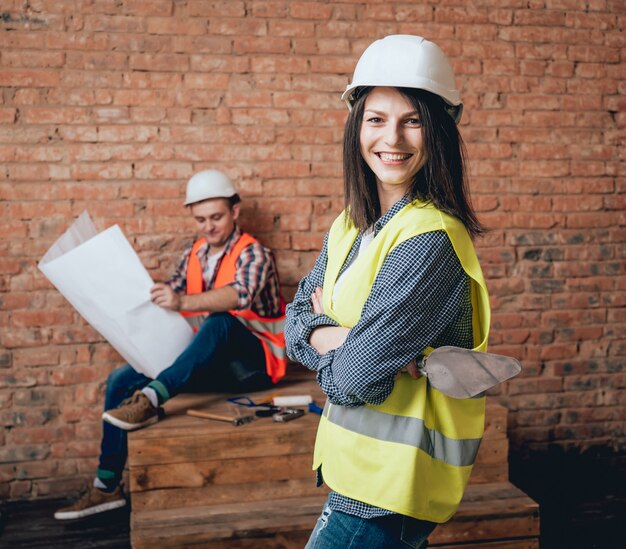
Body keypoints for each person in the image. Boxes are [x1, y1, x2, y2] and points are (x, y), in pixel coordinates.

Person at [285, 35, 491, 548]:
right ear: (357, 127)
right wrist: (353, 341)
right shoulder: (349, 227)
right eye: (376, 119)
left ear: (437, 130)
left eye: (412, 120)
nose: (392, 138)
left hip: (390, 489)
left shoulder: (429, 240)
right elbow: (291, 325)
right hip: (356, 476)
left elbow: (354, 380)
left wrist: (335, 342)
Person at [54, 169, 287, 520]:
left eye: (216, 217)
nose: (208, 226)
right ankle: (106, 486)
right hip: (214, 365)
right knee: (121, 379)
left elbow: (238, 295)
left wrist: (182, 303)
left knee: (222, 320)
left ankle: (150, 399)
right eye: (200, 219)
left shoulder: (254, 253)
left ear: (235, 212)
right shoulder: (192, 254)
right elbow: (171, 296)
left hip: (255, 368)